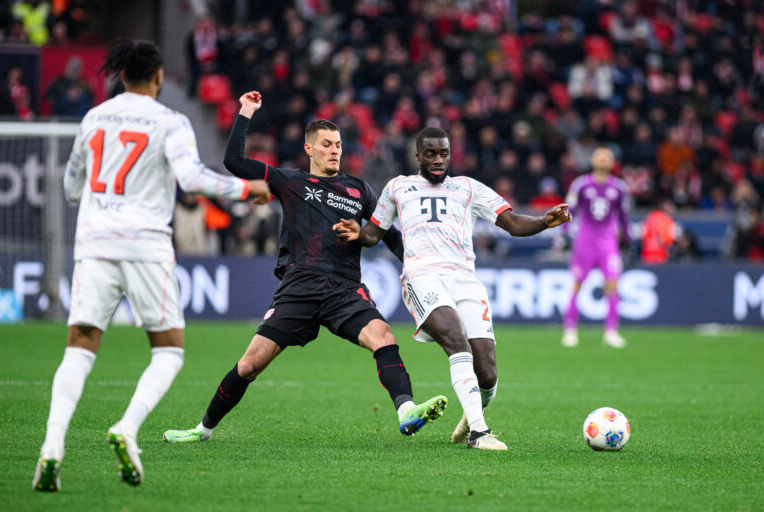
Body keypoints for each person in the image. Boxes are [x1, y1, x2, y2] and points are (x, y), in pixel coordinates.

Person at [32, 39, 271, 492]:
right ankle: (127, 428)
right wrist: (246, 189)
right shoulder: (170, 121)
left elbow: (70, 188)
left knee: (79, 348)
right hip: (145, 244)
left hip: (95, 242)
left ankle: (52, 446)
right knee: (168, 352)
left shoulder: (93, 118)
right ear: (159, 77)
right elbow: (192, 179)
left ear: (121, 75)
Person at [162, 92, 447, 446]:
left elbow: (387, 235)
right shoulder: (290, 181)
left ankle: (406, 412)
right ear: (309, 149)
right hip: (299, 287)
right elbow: (234, 161)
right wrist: (245, 112)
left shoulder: (359, 190)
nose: (335, 150)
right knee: (250, 365)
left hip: (344, 289)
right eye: (326, 144)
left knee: (384, 337)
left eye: (338, 144)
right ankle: (202, 430)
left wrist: (418, 264)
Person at [333, 127, 571, 451]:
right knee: (457, 342)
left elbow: (513, 223)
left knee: (487, 373)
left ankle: (469, 419)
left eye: (443, 153)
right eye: (430, 154)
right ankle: (479, 433)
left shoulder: (468, 188)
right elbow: (375, 234)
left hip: (465, 280)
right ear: (417, 155)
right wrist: (358, 233)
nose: (438, 160)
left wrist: (544, 221)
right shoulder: (398, 187)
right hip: (422, 276)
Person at [562, 147, 631, 348]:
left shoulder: (619, 188)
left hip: (608, 244)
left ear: (612, 163)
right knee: (577, 284)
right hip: (585, 241)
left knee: (612, 286)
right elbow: (570, 209)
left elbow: (624, 216)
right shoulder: (581, 184)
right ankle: (570, 330)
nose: (602, 160)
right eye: (599, 157)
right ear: (592, 160)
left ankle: (611, 332)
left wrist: (628, 239)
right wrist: (563, 234)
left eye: (606, 157)